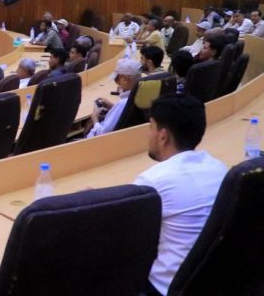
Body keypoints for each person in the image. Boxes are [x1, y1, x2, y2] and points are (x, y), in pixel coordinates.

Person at [135, 94, 227, 296]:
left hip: (165, 289)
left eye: (151, 127)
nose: (149, 134)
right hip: (215, 283)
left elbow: (124, 237)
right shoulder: (219, 168)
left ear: (163, 136)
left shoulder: (153, 181)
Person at [86, 58, 142, 138]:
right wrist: (113, 107)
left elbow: (102, 135)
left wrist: (95, 118)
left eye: (117, 80)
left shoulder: (123, 103)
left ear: (125, 79)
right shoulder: (141, 96)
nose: (118, 84)